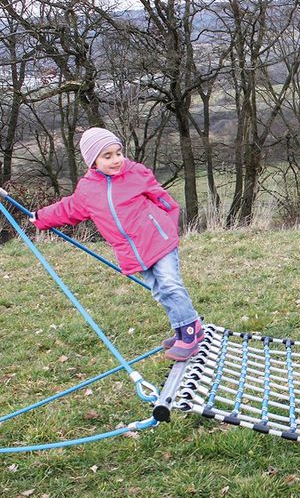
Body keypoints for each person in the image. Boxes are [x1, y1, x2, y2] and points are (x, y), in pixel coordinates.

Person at [30, 127, 203, 361]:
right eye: (107, 156)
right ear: (93, 162)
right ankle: (185, 328)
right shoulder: (88, 190)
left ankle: (189, 335)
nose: (116, 160)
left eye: (118, 153)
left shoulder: (136, 173)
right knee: (161, 291)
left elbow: (163, 199)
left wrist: (169, 227)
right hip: (134, 252)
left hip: (158, 240)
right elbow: (68, 208)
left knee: (171, 284)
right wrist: (40, 217)